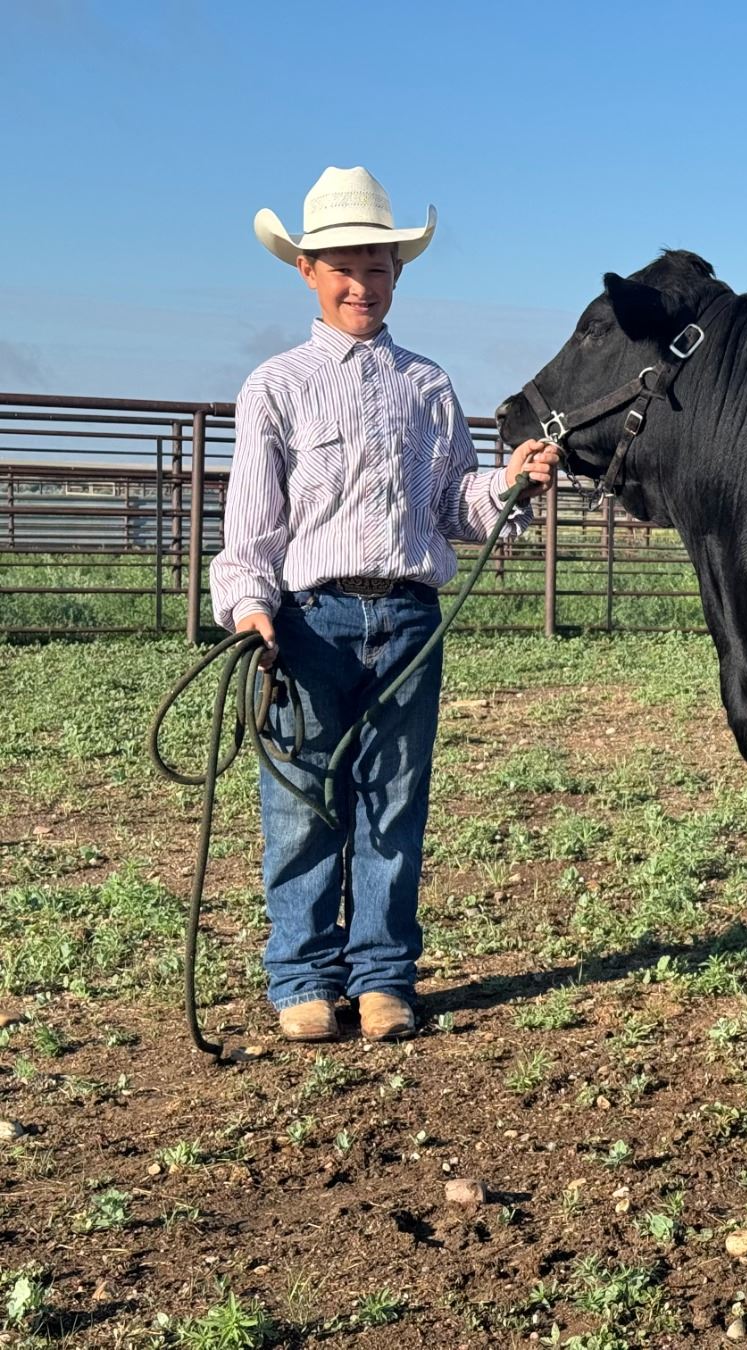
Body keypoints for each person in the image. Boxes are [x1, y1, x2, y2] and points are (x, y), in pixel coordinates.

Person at [211, 166, 560, 1042]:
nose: (360, 285)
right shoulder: (276, 386)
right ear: (307, 271)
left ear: (398, 273)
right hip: (307, 623)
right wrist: (250, 607)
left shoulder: (428, 387)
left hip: (407, 618)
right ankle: (302, 976)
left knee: (394, 805)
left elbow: (455, 505)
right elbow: (252, 521)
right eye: (343, 268)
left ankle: (382, 977)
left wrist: (510, 484)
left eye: (376, 268)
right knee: (300, 803)